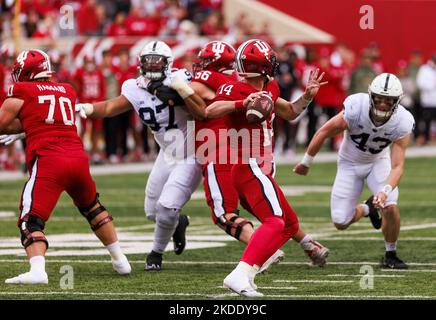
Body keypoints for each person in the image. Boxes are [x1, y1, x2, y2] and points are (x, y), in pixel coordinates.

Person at [186, 41, 329, 272]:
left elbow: (206, 109)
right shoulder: (249, 86)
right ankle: (308, 243)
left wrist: (307, 97)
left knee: (233, 213)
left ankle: (257, 258)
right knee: (274, 211)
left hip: (244, 159)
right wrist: (242, 104)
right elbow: (212, 108)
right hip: (260, 159)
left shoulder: (242, 85)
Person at [0, 49, 131, 284]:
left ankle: (38, 271)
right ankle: (120, 260)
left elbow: (3, 122)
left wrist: (18, 129)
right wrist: (22, 129)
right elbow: (40, 117)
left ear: (28, 72)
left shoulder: (23, 89)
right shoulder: (67, 90)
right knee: (93, 207)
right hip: (78, 159)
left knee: (30, 220)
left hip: (50, 161)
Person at [75, 41, 205, 271]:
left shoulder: (181, 79)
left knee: (166, 208)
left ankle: (155, 253)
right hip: (166, 154)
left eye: (158, 61)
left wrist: (181, 94)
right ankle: (177, 224)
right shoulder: (135, 87)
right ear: (141, 63)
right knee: (151, 212)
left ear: (168, 63)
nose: (153, 65)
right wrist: (87, 108)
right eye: (149, 61)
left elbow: (203, 104)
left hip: (192, 153)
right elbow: (110, 107)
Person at [294, 73, 415, 270]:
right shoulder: (356, 108)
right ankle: (368, 209)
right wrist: (306, 161)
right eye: (379, 98)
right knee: (340, 221)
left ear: (397, 101)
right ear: (371, 96)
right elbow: (324, 131)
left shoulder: (402, 121)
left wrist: (384, 191)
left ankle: (390, 253)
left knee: (391, 205)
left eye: (389, 100)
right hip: (349, 164)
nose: (383, 104)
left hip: (378, 162)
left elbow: (398, 166)